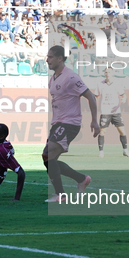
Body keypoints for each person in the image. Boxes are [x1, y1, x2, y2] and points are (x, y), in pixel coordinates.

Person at [44, 45, 100, 202]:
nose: (47, 60)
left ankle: (61, 195)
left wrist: (95, 121)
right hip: (58, 123)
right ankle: (81, 179)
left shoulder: (71, 77)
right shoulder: (53, 79)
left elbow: (91, 97)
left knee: (48, 155)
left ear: (60, 58)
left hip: (69, 123)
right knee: (49, 159)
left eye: (50, 57)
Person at [94, 67, 129, 159]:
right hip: (105, 111)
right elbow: (96, 96)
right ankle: (101, 152)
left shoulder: (117, 84)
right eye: (106, 72)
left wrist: (124, 99)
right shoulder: (100, 84)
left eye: (109, 72)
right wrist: (95, 104)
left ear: (112, 73)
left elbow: (123, 95)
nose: (107, 74)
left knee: (122, 131)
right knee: (102, 131)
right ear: (104, 73)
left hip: (116, 111)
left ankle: (125, 150)